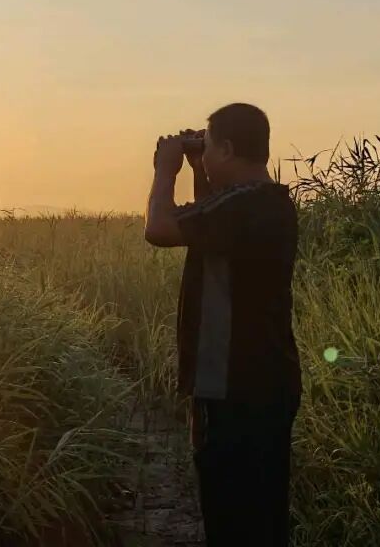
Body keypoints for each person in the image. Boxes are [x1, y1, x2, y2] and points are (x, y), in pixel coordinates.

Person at [143, 103, 302, 545]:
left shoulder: (239, 207)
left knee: (229, 516)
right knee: (263, 514)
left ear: (229, 149)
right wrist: (199, 165)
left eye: (210, 146)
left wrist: (166, 169)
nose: (205, 154)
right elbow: (210, 221)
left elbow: (158, 228)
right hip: (269, 381)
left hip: (230, 387)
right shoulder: (269, 203)